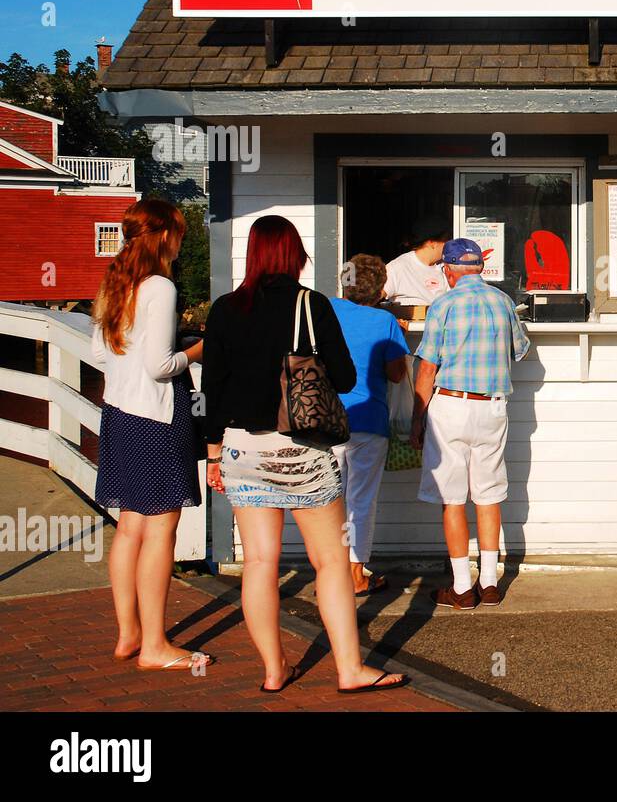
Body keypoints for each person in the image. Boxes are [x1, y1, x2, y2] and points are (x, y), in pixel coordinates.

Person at [203, 215, 408, 694]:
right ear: (294, 254)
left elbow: (211, 389)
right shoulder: (309, 304)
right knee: (332, 561)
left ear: (253, 254)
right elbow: (344, 378)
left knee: (258, 562)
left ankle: (274, 671)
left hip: (240, 449)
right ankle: (350, 670)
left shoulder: (225, 309)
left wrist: (214, 457)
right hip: (300, 448)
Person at [91, 199, 211, 671]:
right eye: (179, 233)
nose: (181, 243)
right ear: (163, 235)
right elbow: (161, 366)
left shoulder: (114, 281)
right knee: (162, 528)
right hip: (157, 419)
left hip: (118, 412)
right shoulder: (160, 285)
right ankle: (156, 646)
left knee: (130, 527)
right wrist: (199, 350)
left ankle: (128, 635)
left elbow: (99, 355)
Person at [409, 238, 531, 609]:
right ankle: (490, 583)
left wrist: (416, 420)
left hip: (451, 405)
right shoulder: (504, 302)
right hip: (492, 407)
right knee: (488, 495)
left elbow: (428, 366)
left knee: (452, 499)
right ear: (479, 267)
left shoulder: (443, 304)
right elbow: (519, 349)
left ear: (448, 270)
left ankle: (462, 587)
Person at [331, 254, 410, 596]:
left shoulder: (326, 311)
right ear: (379, 290)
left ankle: (330, 573)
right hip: (368, 422)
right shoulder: (384, 322)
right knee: (360, 501)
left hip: (325, 420)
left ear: (344, 283)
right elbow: (396, 374)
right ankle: (355, 573)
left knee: (329, 501)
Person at [384, 217, 452, 309]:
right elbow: (374, 295)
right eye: (447, 240)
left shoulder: (445, 266)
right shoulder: (398, 266)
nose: (450, 244)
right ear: (432, 242)